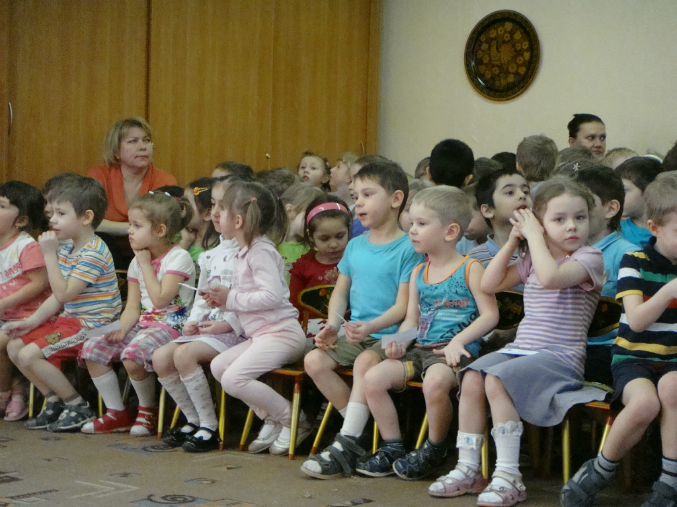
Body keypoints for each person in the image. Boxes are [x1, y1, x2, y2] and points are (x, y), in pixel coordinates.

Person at [428, 177, 606, 503]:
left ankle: (509, 476)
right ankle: (469, 469)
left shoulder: (588, 257)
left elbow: (551, 278)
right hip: (521, 352)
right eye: (559, 219)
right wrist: (513, 241)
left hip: (560, 359)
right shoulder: (532, 260)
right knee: (471, 376)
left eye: (579, 217)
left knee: (497, 379)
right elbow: (489, 284)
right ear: (540, 222)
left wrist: (535, 236)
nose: (572, 226)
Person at [358, 186, 499, 479]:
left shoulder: (470, 267)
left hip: (454, 353)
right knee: (372, 379)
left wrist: (459, 341)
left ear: (450, 232)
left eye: (422, 224)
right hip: (420, 349)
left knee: (434, 382)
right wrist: (397, 342)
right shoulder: (418, 272)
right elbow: (411, 321)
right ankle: (393, 446)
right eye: (412, 223)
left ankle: (436, 448)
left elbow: (491, 315)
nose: (412, 230)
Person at [300, 160, 424, 479]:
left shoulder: (408, 248)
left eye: (368, 195)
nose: (359, 204)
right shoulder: (355, 246)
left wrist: (370, 327)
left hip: (394, 336)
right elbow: (340, 293)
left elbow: (404, 307)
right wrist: (332, 325)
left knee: (365, 361)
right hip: (359, 334)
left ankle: (348, 443)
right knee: (314, 361)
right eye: (356, 196)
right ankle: (358, 429)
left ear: (396, 199)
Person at [560, 175, 677, 507]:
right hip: (634, 357)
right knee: (644, 404)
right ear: (654, 228)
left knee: (672, 388)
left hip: (674, 361)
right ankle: (600, 469)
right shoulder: (634, 261)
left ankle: (669, 484)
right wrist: (669, 291)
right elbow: (636, 321)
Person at [5, 176, 121, 431]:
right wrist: (31, 322)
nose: (52, 220)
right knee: (15, 347)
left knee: (29, 355)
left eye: (61, 213)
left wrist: (48, 254)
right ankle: (55, 400)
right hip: (70, 323)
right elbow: (57, 298)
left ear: (86, 217)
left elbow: (64, 295)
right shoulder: (69, 248)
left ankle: (77, 405)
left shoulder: (93, 252)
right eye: (52, 213)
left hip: (93, 326)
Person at [209, 180, 312, 456]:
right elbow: (248, 300)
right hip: (263, 336)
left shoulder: (261, 251)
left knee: (233, 380)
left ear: (238, 220)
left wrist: (230, 298)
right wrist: (223, 301)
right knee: (219, 367)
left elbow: (272, 296)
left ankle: (293, 419)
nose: (216, 213)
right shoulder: (244, 251)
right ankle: (271, 417)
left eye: (222, 209)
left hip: (282, 335)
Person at [79, 191, 195, 436]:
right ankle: (116, 412)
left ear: (160, 230)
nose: (129, 231)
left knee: (132, 354)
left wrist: (144, 264)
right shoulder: (137, 261)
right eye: (130, 224)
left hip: (172, 327)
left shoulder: (179, 257)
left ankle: (147, 409)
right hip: (143, 324)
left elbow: (160, 300)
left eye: (137, 225)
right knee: (92, 346)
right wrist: (121, 328)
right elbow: (133, 307)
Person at [153, 178, 245, 452]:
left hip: (238, 331)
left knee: (184, 355)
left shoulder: (250, 254)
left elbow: (252, 301)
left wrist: (226, 324)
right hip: (209, 329)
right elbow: (202, 298)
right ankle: (193, 419)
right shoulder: (210, 255)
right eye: (213, 204)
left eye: (222, 207)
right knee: (161, 358)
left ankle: (209, 426)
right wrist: (193, 322)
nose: (214, 212)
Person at [573, 166, 638, 385]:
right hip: (565, 346)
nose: (575, 211)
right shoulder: (563, 251)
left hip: (607, 349)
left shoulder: (629, 254)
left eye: (584, 202)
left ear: (610, 209)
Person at [87, 118, 177, 269]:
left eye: (146, 140)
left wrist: (115, 227)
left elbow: (163, 228)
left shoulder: (165, 180)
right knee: (100, 239)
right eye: (133, 141)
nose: (143, 147)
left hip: (150, 254)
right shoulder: (98, 176)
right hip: (105, 254)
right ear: (116, 151)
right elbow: (87, 222)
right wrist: (133, 227)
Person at [0, 182, 51, 422]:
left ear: (20, 221)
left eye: (1, 206)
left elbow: (39, 283)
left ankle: (7, 394)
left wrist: (4, 303)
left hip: (29, 318)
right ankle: (16, 389)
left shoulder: (27, 246)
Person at [289, 195, 351, 333]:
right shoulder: (302, 266)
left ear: (348, 230)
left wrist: (344, 284)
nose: (333, 244)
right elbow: (293, 307)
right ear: (311, 236)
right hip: (309, 329)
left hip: (349, 329)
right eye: (324, 239)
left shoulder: (356, 261)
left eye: (340, 236)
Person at [468, 168, 532, 269]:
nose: (522, 195)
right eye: (510, 192)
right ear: (488, 210)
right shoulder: (476, 259)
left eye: (526, 191)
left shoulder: (543, 246)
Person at [278, 183, 325, 284]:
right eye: (311, 217)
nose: (317, 225)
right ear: (290, 211)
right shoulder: (271, 244)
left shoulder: (315, 249)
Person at [617, 156, 664, 248]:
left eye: (624, 190)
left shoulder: (668, 232)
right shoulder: (615, 231)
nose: (617, 196)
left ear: (648, 191)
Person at [179, 178, 220, 261]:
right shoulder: (179, 236)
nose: (181, 208)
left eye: (187, 203)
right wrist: (184, 243)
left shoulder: (216, 252)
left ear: (208, 214)